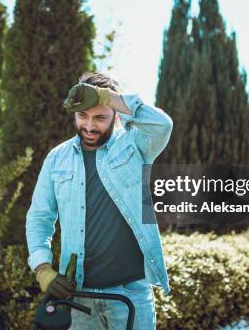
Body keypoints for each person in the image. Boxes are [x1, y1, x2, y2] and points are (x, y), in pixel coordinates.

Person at [25, 71, 173, 329]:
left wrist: (109, 97)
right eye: (82, 115)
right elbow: (40, 217)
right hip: (78, 295)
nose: (90, 126)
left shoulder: (134, 146)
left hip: (130, 295)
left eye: (100, 117)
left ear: (115, 116)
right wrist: (43, 270)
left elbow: (163, 125)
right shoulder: (57, 158)